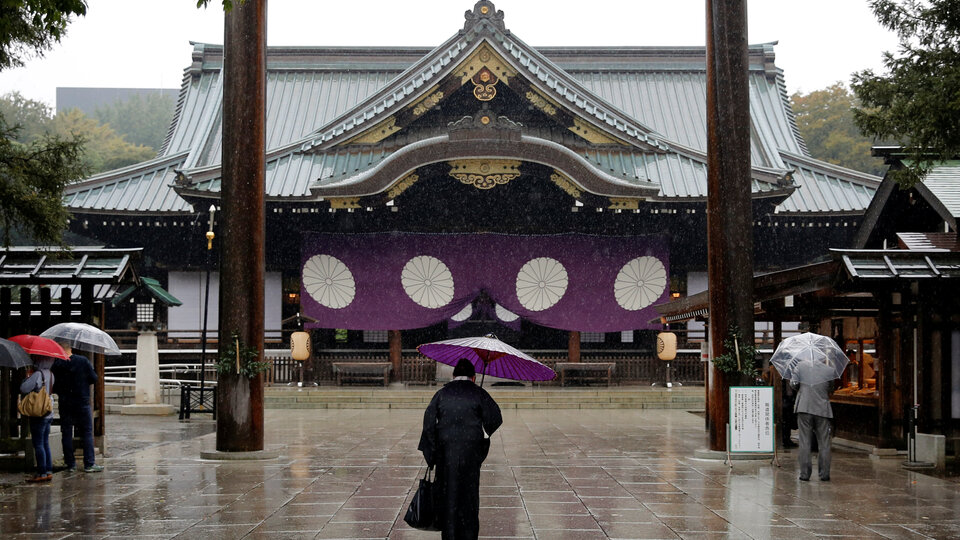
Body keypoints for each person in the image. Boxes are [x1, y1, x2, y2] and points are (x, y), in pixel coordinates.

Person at [418, 358, 502, 540]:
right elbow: (495, 418)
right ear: (473, 377)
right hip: (470, 453)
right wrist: (481, 437)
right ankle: (469, 535)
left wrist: (432, 453)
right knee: (469, 497)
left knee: (448, 496)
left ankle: (450, 534)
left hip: (445, 453)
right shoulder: (479, 393)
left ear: (454, 375)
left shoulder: (441, 394)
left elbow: (428, 424)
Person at [51, 341, 102, 473]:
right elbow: (94, 378)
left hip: (65, 401)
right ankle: (89, 463)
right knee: (87, 431)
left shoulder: (57, 364)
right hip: (82, 400)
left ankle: (70, 464)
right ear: (70, 348)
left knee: (66, 432)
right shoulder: (82, 361)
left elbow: (54, 385)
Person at [792, 360, 836, 481]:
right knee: (824, 442)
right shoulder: (829, 370)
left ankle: (805, 474)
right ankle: (824, 473)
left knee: (805, 440)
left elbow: (793, 384)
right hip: (822, 408)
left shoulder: (800, 367)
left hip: (804, 407)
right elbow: (831, 388)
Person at [20, 357, 55, 482]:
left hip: (38, 412)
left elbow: (24, 388)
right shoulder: (50, 374)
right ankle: (48, 470)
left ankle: (42, 472)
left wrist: (27, 378)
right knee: (45, 442)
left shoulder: (37, 374)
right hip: (48, 411)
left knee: (38, 443)